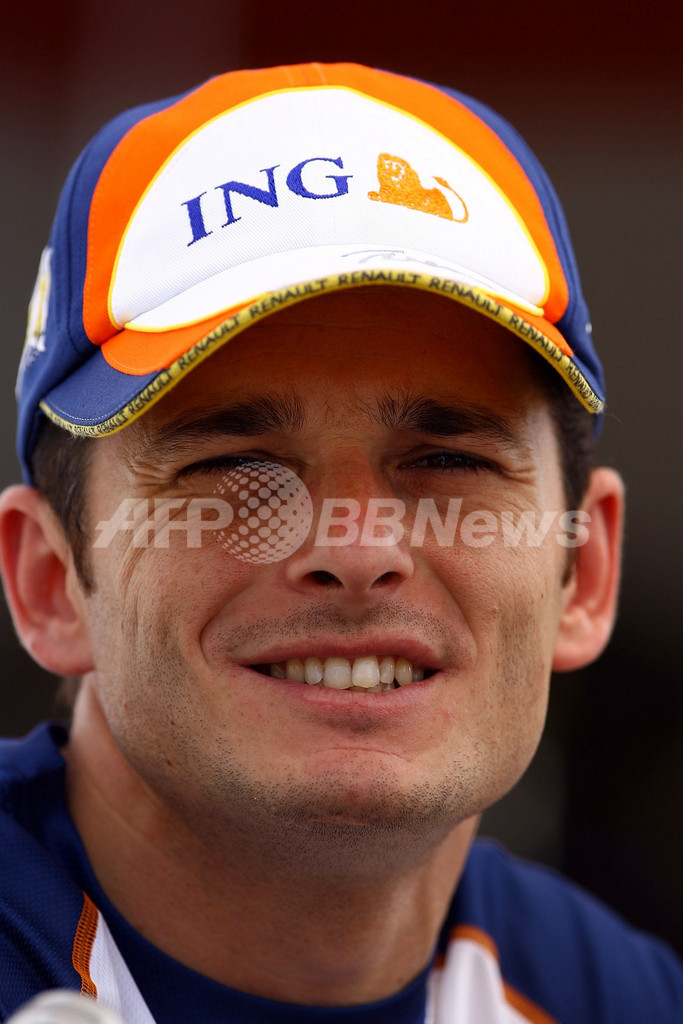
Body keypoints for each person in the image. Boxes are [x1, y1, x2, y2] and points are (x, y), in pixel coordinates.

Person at [0, 61, 680, 1024]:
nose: (356, 549)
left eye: (446, 461)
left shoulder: (623, 998)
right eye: (237, 466)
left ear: (586, 572)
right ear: (50, 582)